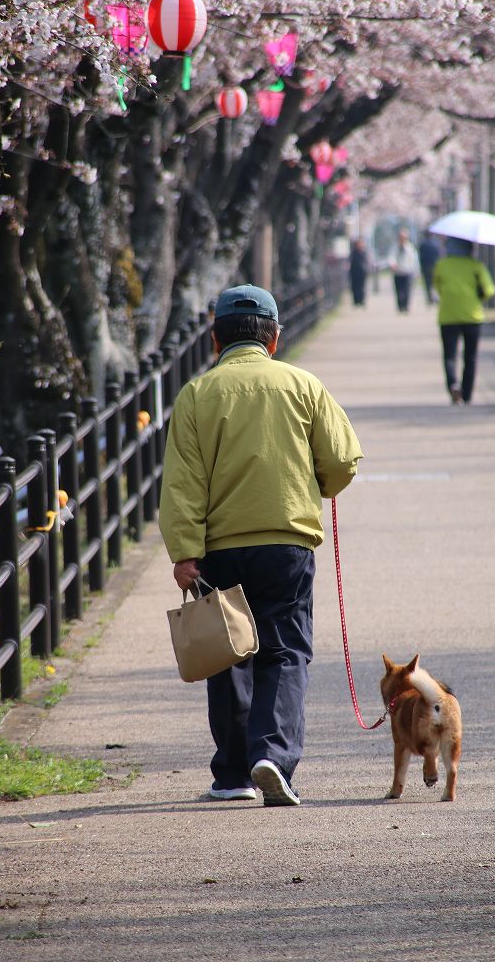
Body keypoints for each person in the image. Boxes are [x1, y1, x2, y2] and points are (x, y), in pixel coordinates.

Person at [159, 284, 362, 807]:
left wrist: (184, 551)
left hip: (219, 547)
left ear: (214, 339)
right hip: (287, 543)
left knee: (229, 652)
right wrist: (317, 481)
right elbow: (341, 461)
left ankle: (232, 776)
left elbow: (182, 482)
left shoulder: (198, 394)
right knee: (285, 651)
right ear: (272, 338)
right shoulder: (303, 385)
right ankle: (273, 755)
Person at [432, 237, 495, 404]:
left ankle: (453, 385)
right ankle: (467, 394)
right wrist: (477, 297)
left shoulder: (442, 265)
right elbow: (489, 290)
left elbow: (437, 287)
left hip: (448, 316)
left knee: (450, 356)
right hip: (472, 316)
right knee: (471, 357)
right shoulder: (476, 266)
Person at [389, 228, 420, 312]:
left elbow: (414, 260)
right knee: (399, 291)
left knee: (407, 291)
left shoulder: (410, 247)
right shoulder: (395, 247)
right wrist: (392, 264)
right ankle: (400, 306)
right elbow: (391, 257)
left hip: (407, 272)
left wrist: (416, 272)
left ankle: (406, 306)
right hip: (398, 272)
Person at [418, 231, 441, 305]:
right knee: (436, 283)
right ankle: (436, 298)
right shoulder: (436, 244)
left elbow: (421, 258)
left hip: (426, 267)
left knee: (428, 284)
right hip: (435, 266)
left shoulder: (422, 244)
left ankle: (429, 298)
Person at [348, 238, 369, 306]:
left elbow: (366, 262)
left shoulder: (363, 252)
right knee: (355, 287)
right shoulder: (353, 253)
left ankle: (361, 300)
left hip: (362, 273)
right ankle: (356, 301)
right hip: (354, 272)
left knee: (361, 287)